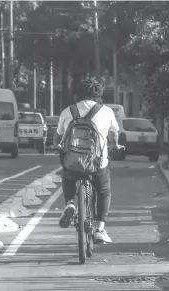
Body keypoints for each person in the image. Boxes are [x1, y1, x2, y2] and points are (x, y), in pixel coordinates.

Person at [52, 78, 123, 243]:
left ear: (77, 94)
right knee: (104, 190)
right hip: (97, 164)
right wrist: (115, 145)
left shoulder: (67, 111)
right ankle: (99, 228)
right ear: (99, 95)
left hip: (73, 162)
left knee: (67, 175)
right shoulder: (106, 111)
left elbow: (59, 134)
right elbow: (114, 134)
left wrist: (56, 146)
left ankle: (70, 203)